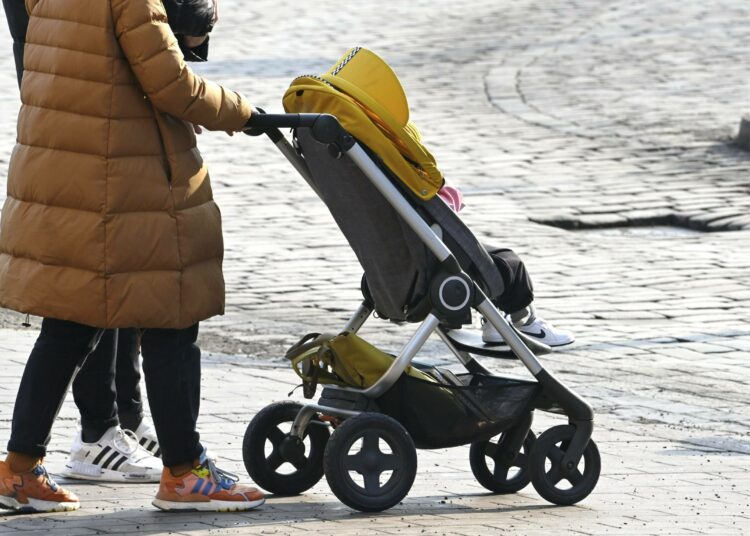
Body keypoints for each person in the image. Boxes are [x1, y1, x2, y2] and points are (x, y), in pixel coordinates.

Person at [0, 0, 264, 513]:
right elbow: (172, 84)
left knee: (69, 326)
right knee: (172, 316)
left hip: (67, 168)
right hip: (124, 179)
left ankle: (18, 470)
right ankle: (185, 473)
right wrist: (242, 112)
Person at [437, 186, 574, 347]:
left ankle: (496, 320)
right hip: (440, 267)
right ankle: (521, 320)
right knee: (509, 261)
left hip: (412, 271)